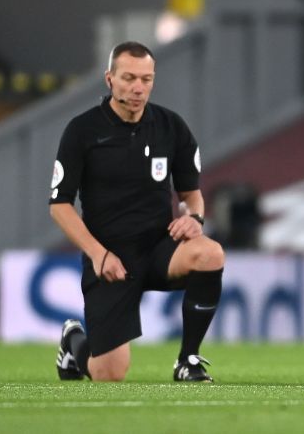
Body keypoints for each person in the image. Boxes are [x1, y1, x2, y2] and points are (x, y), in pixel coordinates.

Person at [50, 41, 224, 382]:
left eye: (146, 79)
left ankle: (188, 360)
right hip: (111, 258)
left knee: (210, 253)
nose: (137, 87)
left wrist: (194, 218)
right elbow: (59, 206)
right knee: (110, 374)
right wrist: (98, 255)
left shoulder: (171, 127)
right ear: (109, 79)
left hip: (160, 248)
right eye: (128, 77)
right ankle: (74, 343)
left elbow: (191, 194)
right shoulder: (82, 131)